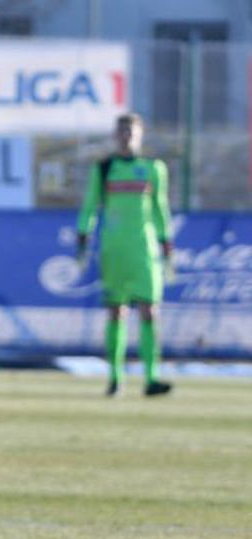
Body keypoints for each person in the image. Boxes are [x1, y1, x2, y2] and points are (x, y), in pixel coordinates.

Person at [76, 113, 173, 397]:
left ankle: (152, 377)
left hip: (144, 249)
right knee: (116, 311)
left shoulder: (153, 168)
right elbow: (90, 205)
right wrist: (83, 236)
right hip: (114, 248)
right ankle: (116, 378)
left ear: (139, 135)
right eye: (121, 131)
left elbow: (160, 208)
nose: (126, 136)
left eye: (130, 131)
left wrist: (166, 242)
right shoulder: (105, 168)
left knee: (149, 310)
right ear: (115, 135)